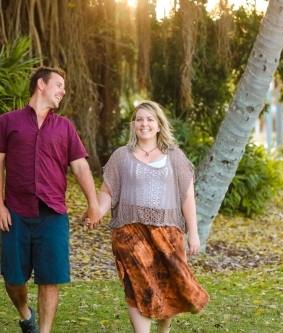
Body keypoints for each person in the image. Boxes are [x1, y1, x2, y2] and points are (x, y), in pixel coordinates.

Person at [0, 66, 101, 333]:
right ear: (41, 84)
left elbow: (81, 167)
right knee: (13, 279)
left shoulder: (65, 126)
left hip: (53, 215)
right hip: (15, 212)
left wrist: (93, 203)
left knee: (49, 279)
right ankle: (26, 314)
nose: (63, 91)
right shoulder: (8, 121)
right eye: (59, 85)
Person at [85, 100, 209, 333]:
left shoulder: (175, 156)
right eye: (140, 119)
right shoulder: (121, 156)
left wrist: (193, 232)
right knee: (136, 284)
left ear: (159, 125)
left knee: (170, 286)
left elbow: (187, 198)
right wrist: (97, 213)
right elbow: (107, 192)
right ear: (133, 125)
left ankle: (164, 328)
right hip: (130, 233)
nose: (144, 124)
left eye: (150, 119)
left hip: (168, 233)